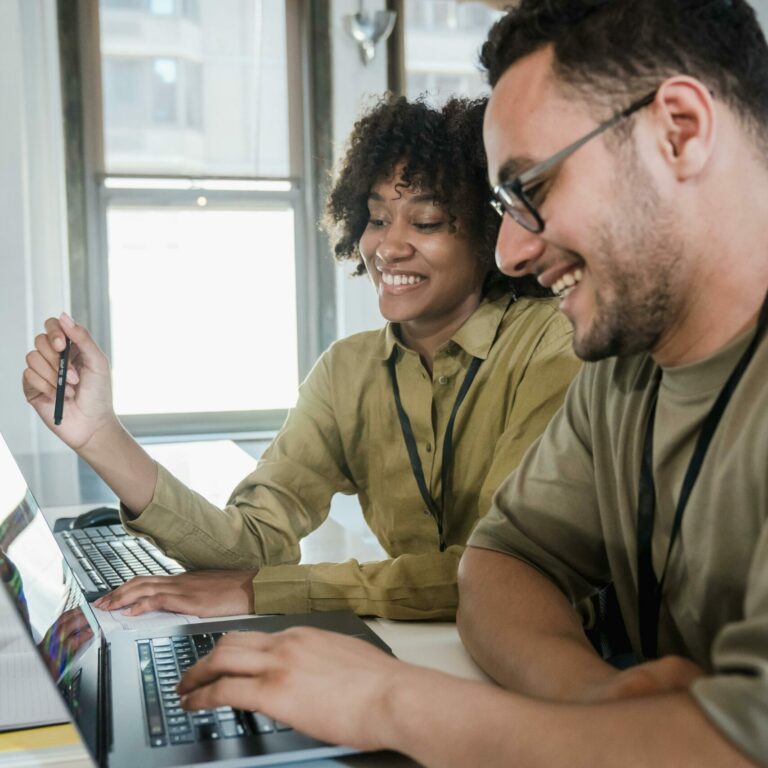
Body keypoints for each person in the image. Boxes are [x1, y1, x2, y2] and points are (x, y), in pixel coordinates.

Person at [170, 2, 768, 765]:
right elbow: (506, 559)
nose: (510, 252)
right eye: (501, 206)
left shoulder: (571, 349)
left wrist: (386, 701)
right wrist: (596, 703)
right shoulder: (621, 374)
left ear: (679, 130)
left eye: (533, 188)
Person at [23, 95, 579, 621]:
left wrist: (265, 591)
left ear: (489, 232)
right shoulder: (346, 373)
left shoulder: (553, 344)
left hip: (556, 658)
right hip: (422, 649)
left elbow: (501, 569)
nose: (388, 247)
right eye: (377, 219)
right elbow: (250, 544)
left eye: (427, 221)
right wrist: (100, 434)